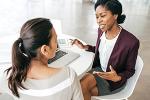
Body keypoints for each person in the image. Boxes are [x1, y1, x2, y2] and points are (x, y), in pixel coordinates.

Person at [0, 18, 84, 100]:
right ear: (45, 49)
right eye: (55, 40)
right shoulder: (69, 76)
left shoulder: (10, 77)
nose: (57, 44)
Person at [72, 0, 140, 100]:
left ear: (115, 15)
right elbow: (102, 50)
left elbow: (130, 70)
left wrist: (117, 77)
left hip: (113, 81)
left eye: (102, 16)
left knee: (81, 87)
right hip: (99, 71)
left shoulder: (131, 42)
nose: (98, 20)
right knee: (78, 87)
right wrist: (85, 47)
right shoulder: (101, 30)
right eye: (97, 16)